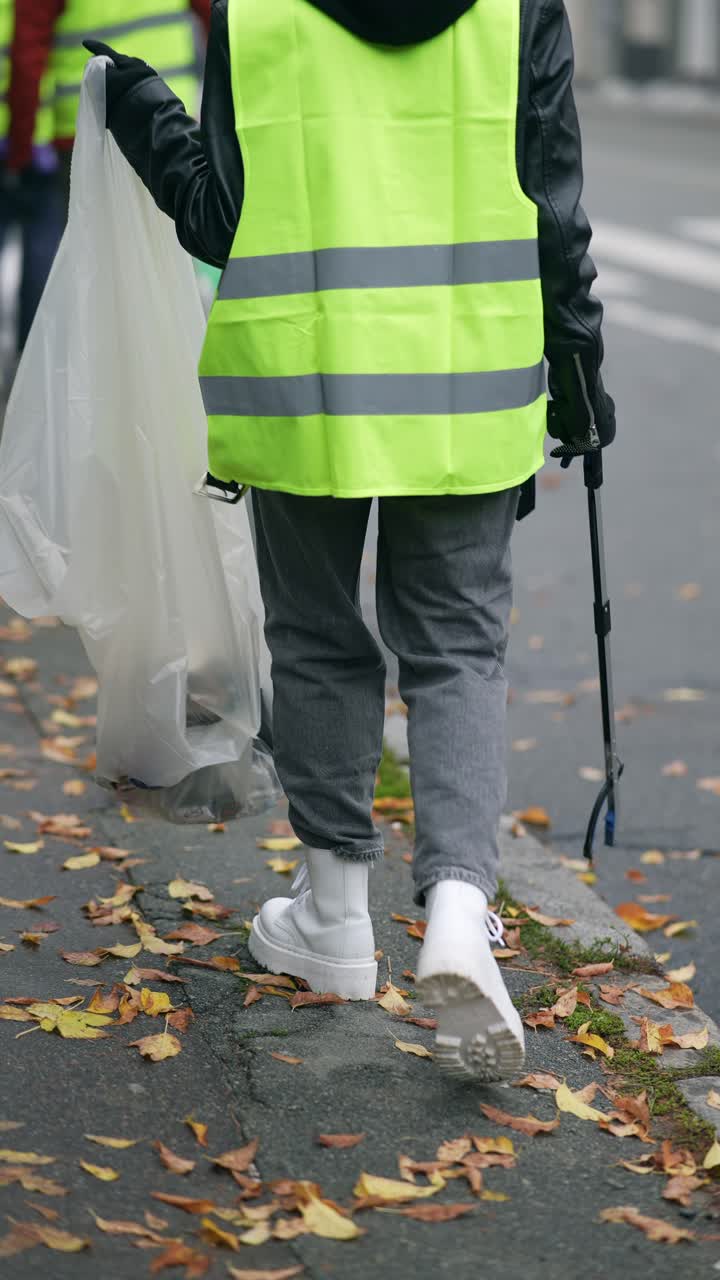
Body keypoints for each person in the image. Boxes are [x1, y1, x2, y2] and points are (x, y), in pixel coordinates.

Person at [81, 0, 616, 1082]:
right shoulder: (520, 8)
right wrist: (580, 376)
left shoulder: (260, 9)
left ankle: (333, 918)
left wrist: (138, 105)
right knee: (459, 644)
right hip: (470, 376)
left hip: (304, 376)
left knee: (318, 634)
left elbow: (218, 213)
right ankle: (460, 907)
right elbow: (555, 209)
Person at [7, 0, 211, 183]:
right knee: (171, 224)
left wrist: (21, 150)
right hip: (172, 121)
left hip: (89, 129)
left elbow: (29, 53)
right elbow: (221, 18)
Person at [0, 0, 63, 369]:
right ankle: (32, 365)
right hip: (34, 141)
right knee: (42, 251)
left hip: (28, 138)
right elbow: (27, 55)